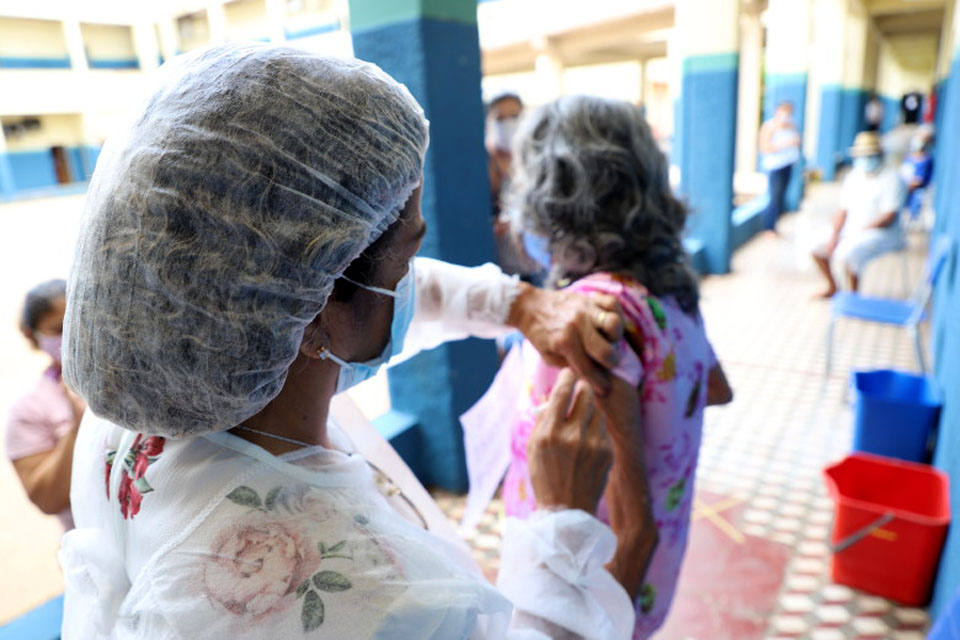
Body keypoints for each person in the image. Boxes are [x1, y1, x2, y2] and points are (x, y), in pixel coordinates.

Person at [60, 44, 655, 639]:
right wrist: (562, 527)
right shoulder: (378, 606)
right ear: (312, 310)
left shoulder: (152, 395)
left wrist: (516, 304)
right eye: (408, 258)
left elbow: (352, 287)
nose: (413, 281)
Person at [462, 96, 733, 639]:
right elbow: (716, 387)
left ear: (551, 196)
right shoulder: (669, 287)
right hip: (649, 578)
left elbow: (635, 532)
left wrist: (602, 626)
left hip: (595, 590)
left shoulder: (593, 317)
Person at [5, 279, 85, 530]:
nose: (72, 334)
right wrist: (77, 428)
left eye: (79, 321)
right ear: (33, 334)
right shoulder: (28, 410)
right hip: (89, 540)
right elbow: (47, 500)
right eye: (59, 328)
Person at [812, 131, 906, 297]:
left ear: (880, 154)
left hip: (881, 233)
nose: (866, 159)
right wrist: (835, 234)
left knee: (848, 252)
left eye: (870, 155)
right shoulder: (854, 176)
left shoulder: (892, 178)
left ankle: (852, 296)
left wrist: (860, 231)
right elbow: (843, 210)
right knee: (816, 243)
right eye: (863, 155)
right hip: (853, 228)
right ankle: (832, 287)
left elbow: (889, 215)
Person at [758, 101, 801, 234]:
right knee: (774, 197)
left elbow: (797, 140)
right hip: (775, 166)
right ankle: (768, 228)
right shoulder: (769, 126)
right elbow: (764, 148)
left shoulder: (791, 125)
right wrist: (784, 144)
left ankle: (774, 225)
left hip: (788, 164)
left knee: (781, 196)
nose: (786, 115)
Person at [899, 127, 934, 221]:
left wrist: (904, 187)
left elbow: (918, 181)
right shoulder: (908, 158)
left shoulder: (926, 160)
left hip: (918, 200)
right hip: (905, 200)